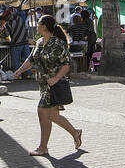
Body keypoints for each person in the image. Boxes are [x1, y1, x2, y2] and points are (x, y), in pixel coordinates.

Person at [13, 15, 83, 157]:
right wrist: (20, 70)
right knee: (53, 116)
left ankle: (43, 147)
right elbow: (31, 59)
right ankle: (75, 132)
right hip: (43, 85)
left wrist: (56, 78)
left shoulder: (57, 43)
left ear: (44, 26)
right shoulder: (39, 42)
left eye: (38, 24)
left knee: (42, 111)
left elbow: (67, 63)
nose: (36, 26)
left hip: (53, 85)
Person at [3, 6, 29, 75]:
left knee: (16, 61)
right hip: (25, 42)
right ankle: (28, 74)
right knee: (27, 60)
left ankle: (18, 75)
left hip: (16, 44)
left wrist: (8, 40)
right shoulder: (20, 18)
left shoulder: (8, 23)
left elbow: (6, 35)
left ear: (7, 16)